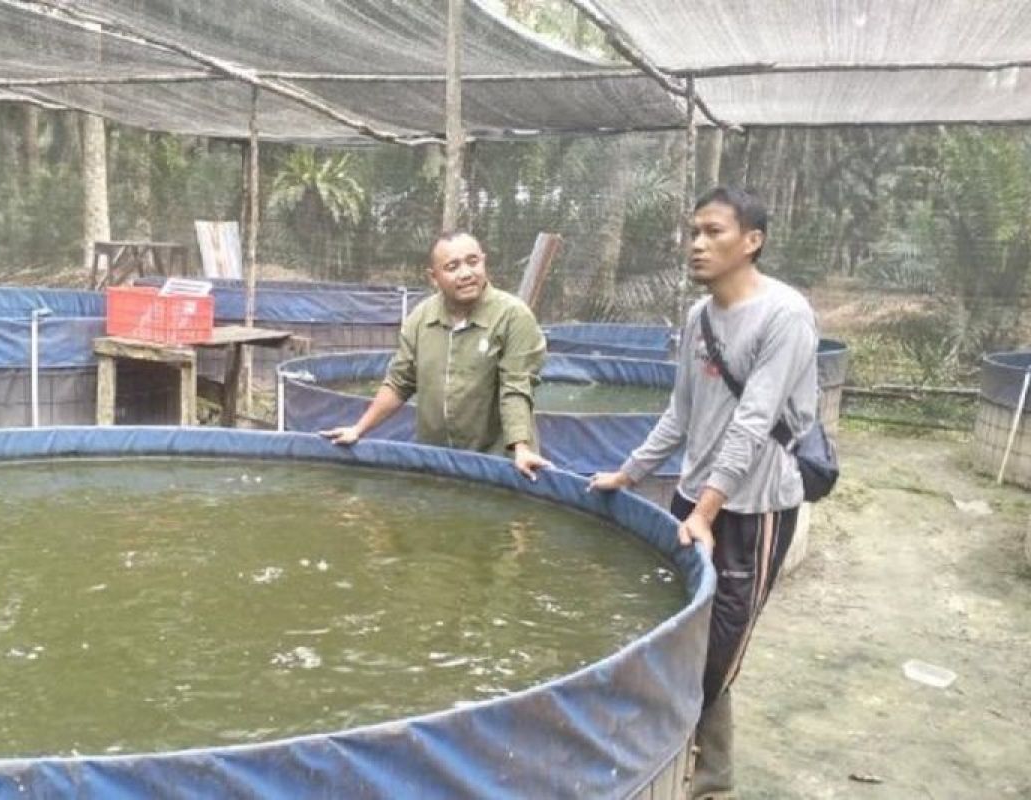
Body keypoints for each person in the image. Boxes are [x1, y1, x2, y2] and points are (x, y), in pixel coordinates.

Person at [589, 186, 818, 799]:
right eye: (693, 232)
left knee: (720, 651)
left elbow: (754, 421)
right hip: (696, 501)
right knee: (681, 628)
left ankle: (703, 779)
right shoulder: (697, 318)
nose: (697, 243)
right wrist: (629, 474)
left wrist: (709, 510)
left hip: (754, 507)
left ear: (752, 241)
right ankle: (701, 772)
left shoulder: (785, 316)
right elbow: (681, 413)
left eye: (713, 231)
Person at [322, 231, 552, 480]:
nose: (466, 273)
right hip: (438, 464)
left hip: (500, 465)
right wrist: (358, 429)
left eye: (473, 262)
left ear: (484, 261)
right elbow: (399, 382)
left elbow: (516, 387)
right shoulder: (422, 318)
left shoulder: (513, 317)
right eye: (452, 267)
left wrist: (521, 448)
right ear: (434, 277)